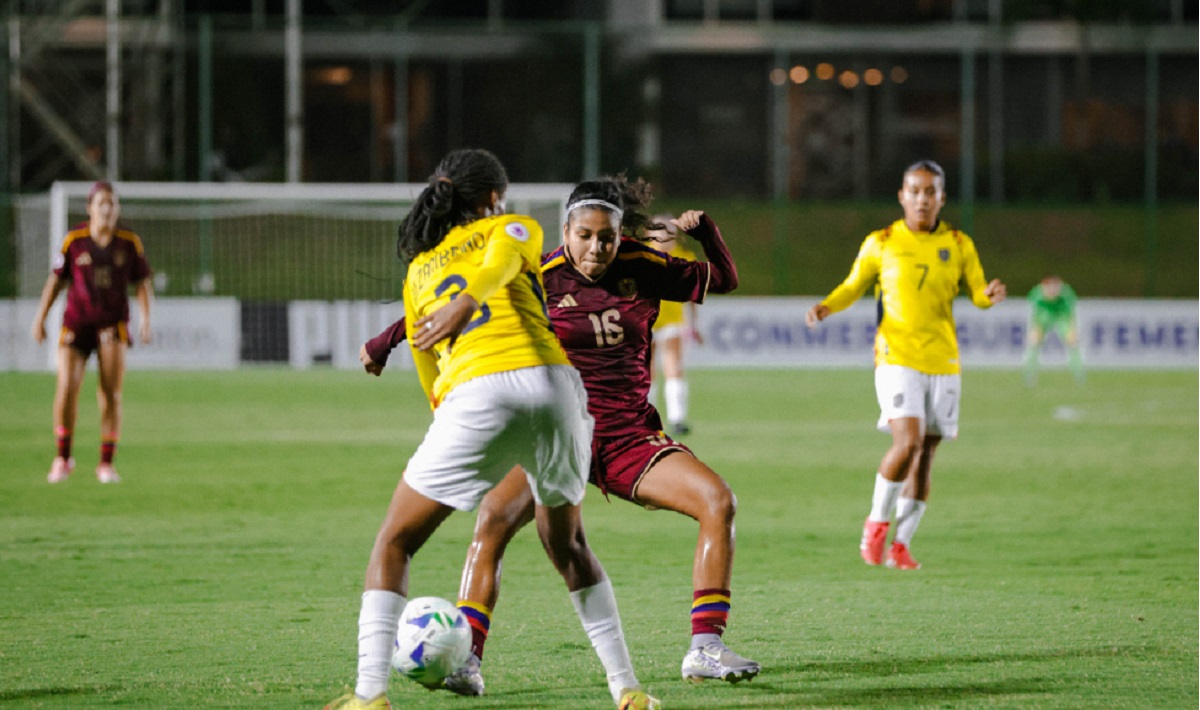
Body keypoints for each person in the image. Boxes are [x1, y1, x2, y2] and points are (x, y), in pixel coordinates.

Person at [360, 175, 755, 697]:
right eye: (585, 235)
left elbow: (723, 279)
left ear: (620, 234)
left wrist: (707, 233)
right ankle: (467, 660)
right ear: (565, 231)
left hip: (626, 437)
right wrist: (386, 341)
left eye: (607, 237)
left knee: (717, 501)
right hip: (555, 428)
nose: (596, 248)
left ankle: (704, 648)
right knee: (493, 523)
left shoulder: (644, 265)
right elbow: (456, 301)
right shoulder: (539, 275)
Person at [326, 150, 658, 710]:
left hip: (478, 393)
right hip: (558, 390)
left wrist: (461, 417)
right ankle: (627, 689)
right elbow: (503, 260)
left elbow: (431, 374)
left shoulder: (419, 271)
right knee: (569, 544)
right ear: (492, 199)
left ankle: (369, 694)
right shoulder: (516, 227)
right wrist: (470, 301)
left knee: (396, 541)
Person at [804, 160, 1006, 571]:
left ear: (942, 198)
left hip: (943, 359)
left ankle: (901, 545)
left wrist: (987, 296)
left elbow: (976, 292)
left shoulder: (959, 243)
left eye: (930, 192)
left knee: (926, 453)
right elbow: (853, 285)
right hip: (896, 355)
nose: (922, 199)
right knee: (908, 441)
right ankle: (877, 523)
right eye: (914, 191)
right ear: (901, 196)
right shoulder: (881, 242)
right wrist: (827, 306)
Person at [30, 180, 153, 484]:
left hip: (113, 324)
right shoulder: (74, 241)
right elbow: (56, 282)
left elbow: (142, 283)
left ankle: (106, 464)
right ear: (90, 208)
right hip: (77, 322)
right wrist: (40, 317)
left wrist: (146, 319)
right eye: (102, 203)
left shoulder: (129, 242)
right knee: (66, 387)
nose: (108, 209)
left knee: (110, 393)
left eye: (112, 203)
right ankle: (63, 458)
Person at [646, 214, 703, 436]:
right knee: (646, 371)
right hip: (646, 321)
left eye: (669, 231)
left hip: (672, 320)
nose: (665, 236)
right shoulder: (640, 256)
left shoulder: (685, 258)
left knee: (673, 367)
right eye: (660, 231)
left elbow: (692, 295)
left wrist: (694, 324)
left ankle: (677, 418)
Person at [1023, 274, 1084, 384]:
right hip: (1044, 316)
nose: (1053, 290)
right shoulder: (1037, 293)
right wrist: (1035, 329)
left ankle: (1079, 374)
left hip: (1061, 316)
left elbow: (1070, 314)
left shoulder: (1066, 294)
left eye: (1056, 287)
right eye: (1050, 287)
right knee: (1033, 342)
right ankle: (1029, 375)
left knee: (1073, 342)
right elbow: (1036, 313)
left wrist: (1072, 329)